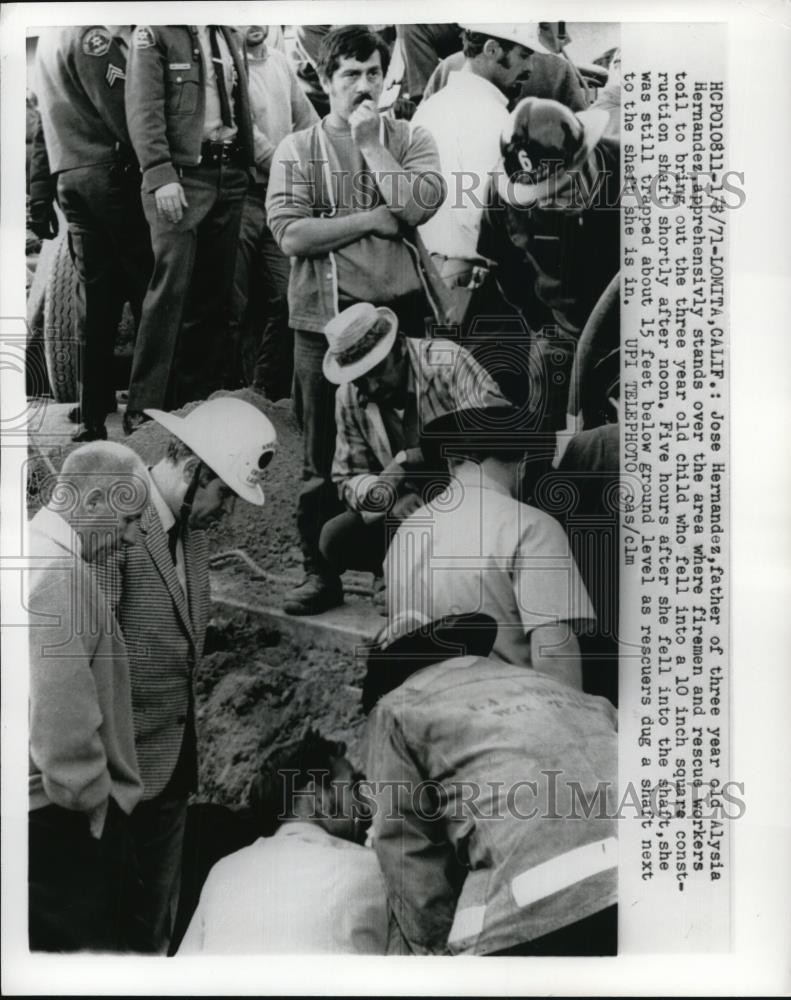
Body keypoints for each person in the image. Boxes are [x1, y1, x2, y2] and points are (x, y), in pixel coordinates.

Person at [266, 25, 444, 615]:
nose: (364, 87)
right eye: (350, 76)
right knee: (321, 459)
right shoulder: (297, 150)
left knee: (418, 449)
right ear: (324, 80)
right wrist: (370, 219)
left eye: (373, 73)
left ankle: (414, 578)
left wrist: (373, 147)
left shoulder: (410, 136)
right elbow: (291, 234)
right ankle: (321, 573)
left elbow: (419, 204)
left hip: (403, 318)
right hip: (325, 324)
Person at [102, 397, 277, 953]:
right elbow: (92, 656)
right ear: (196, 470)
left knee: (154, 925)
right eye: (224, 492)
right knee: (104, 928)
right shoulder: (119, 522)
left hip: (174, 765)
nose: (227, 511)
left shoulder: (194, 533)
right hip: (115, 773)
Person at [363, 612, 618, 956]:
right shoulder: (549, 687)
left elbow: (407, 852)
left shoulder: (395, 709)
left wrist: (435, 955)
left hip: (530, 914)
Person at [28, 441, 149, 952]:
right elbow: (61, 721)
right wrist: (91, 806)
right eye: (128, 520)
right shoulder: (59, 575)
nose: (132, 537)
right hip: (61, 822)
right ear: (95, 502)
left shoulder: (29, 550)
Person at [387, 404, 595, 690]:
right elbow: (556, 655)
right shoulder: (532, 527)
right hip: (508, 716)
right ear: (521, 463)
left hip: (425, 714)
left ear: (451, 463)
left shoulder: (407, 531)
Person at [318, 301, 507, 605]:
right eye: (359, 378)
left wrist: (407, 459)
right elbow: (347, 478)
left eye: (377, 371)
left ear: (402, 347)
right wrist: (389, 498)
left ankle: (431, 581)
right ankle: (397, 573)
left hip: (468, 499)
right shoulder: (350, 396)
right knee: (335, 538)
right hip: (408, 511)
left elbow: (499, 429)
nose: (371, 386)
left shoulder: (448, 362)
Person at [123, 25, 258, 431]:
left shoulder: (228, 35)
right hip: (181, 178)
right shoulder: (157, 33)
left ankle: (199, 404)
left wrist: (245, 167)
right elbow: (143, 107)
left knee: (215, 298)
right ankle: (145, 412)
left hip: (228, 172)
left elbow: (239, 102)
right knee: (170, 293)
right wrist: (160, 172)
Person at [31, 26, 153, 442]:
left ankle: (94, 411)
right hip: (112, 175)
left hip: (71, 180)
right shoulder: (89, 33)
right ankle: (147, 407)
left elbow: (40, 129)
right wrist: (157, 162)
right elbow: (123, 108)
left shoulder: (47, 41)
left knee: (95, 301)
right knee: (147, 288)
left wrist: (39, 196)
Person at [478, 96, 620, 432]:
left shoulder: (636, 169)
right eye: (543, 196)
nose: (556, 201)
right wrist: (541, 322)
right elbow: (504, 265)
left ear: (586, 155)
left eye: (565, 186)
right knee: (544, 431)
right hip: (560, 331)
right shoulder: (501, 198)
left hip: (636, 328)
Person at [178, 728, 388, 954]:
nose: (366, 803)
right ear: (319, 799)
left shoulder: (221, 873)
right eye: (354, 787)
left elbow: (180, 977)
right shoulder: (375, 871)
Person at [411, 24, 549, 321]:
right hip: (481, 289)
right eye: (524, 55)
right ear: (491, 49)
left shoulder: (430, 107)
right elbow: (485, 220)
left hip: (434, 281)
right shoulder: (491, 117)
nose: (530, 67)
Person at [227, 26, 318, 399]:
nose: (254, 23)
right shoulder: (229, 68)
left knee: (286, 296)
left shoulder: (280, 63)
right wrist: (291, 170)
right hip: (243, 197)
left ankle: (264, 390)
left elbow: (309, 121)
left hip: (278, 198)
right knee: (233, 303)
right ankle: (225, 395)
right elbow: (248, 136)